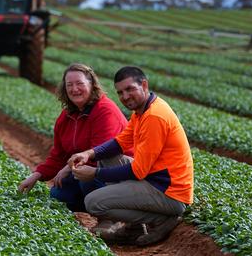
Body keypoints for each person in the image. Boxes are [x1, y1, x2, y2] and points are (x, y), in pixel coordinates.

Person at [68, 66, 193, 246]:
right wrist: (89, 153)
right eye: (120, 92)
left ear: (144, 85)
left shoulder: (154, 117)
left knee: (93, 202)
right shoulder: (143, 110)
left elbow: (138, 171)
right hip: (157, 179)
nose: (125, 96)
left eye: (129, 89)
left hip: (170, 192)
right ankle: (134, 228)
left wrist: (94, 174)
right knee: (107, 157)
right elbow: (120, 142)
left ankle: (161, 220)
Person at [18, 63, 131, 212]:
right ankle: (92, 207)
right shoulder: (67, 116)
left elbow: (100, 154)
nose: (74, 89)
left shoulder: (105, 111)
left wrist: (67, 169)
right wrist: (36, 176)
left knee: (84, 176)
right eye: (69, 85)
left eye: (80, 83)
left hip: (119, 174)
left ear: (92, 85)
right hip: (85, 168)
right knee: (58, 194)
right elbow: (58, 155)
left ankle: (110, 216)